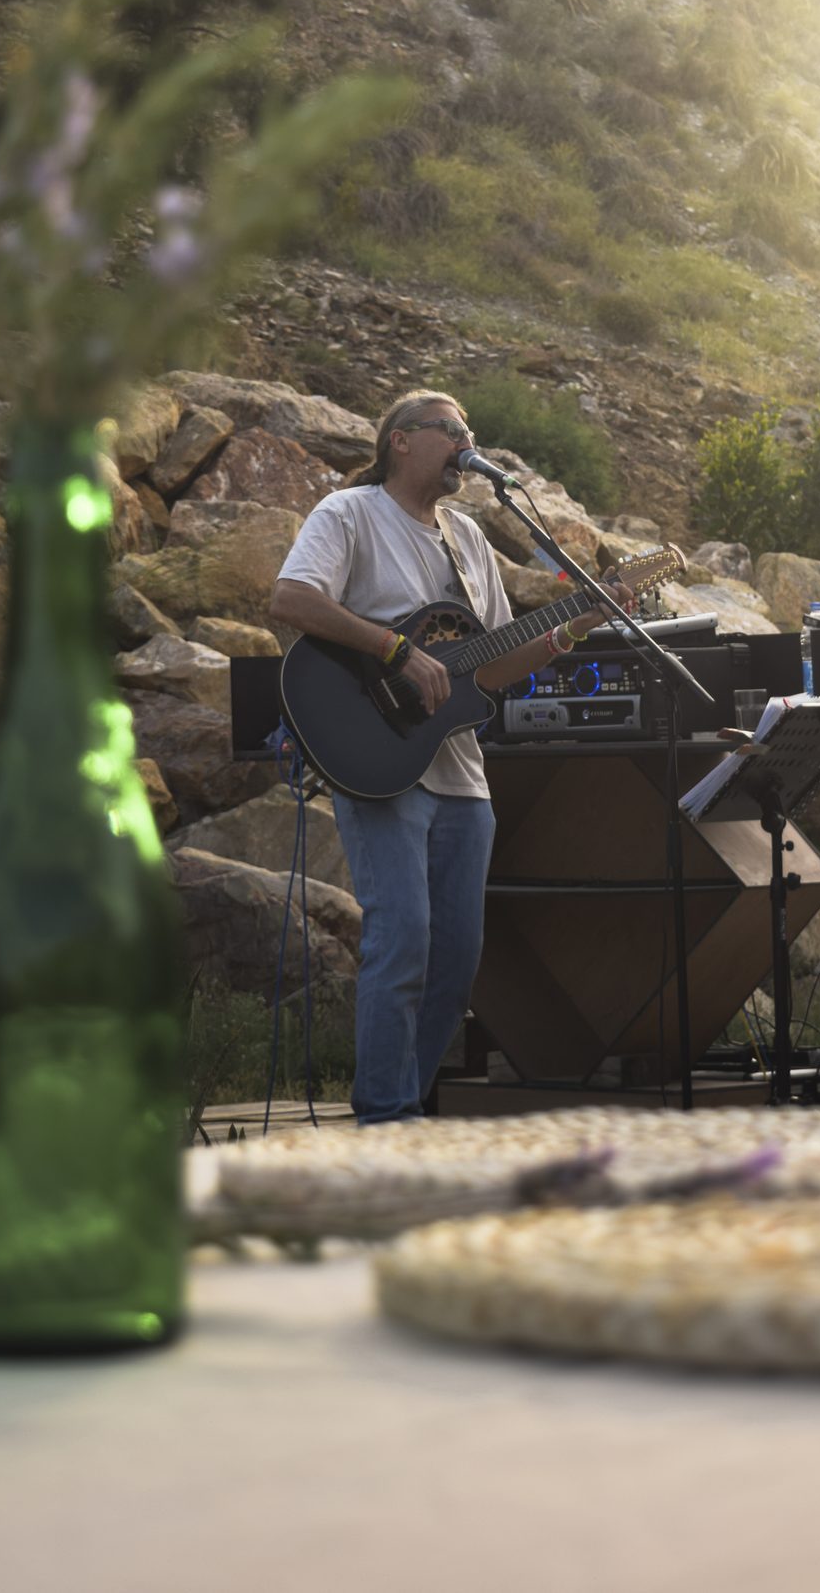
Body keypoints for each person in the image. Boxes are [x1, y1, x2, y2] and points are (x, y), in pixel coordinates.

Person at [271, 389, 623, 1124]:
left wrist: (572, 628)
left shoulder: (467, 539)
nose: (468, 444)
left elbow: (489, 663)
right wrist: (395, 649)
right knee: (402, 944)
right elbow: (292, 601)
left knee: (456, 966)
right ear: (401, 440)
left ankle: (405, 1105)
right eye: (454, 432)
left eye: (473, 433)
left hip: (459, 773)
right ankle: (387, 1122)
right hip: (377, 760)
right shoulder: (350, 515)